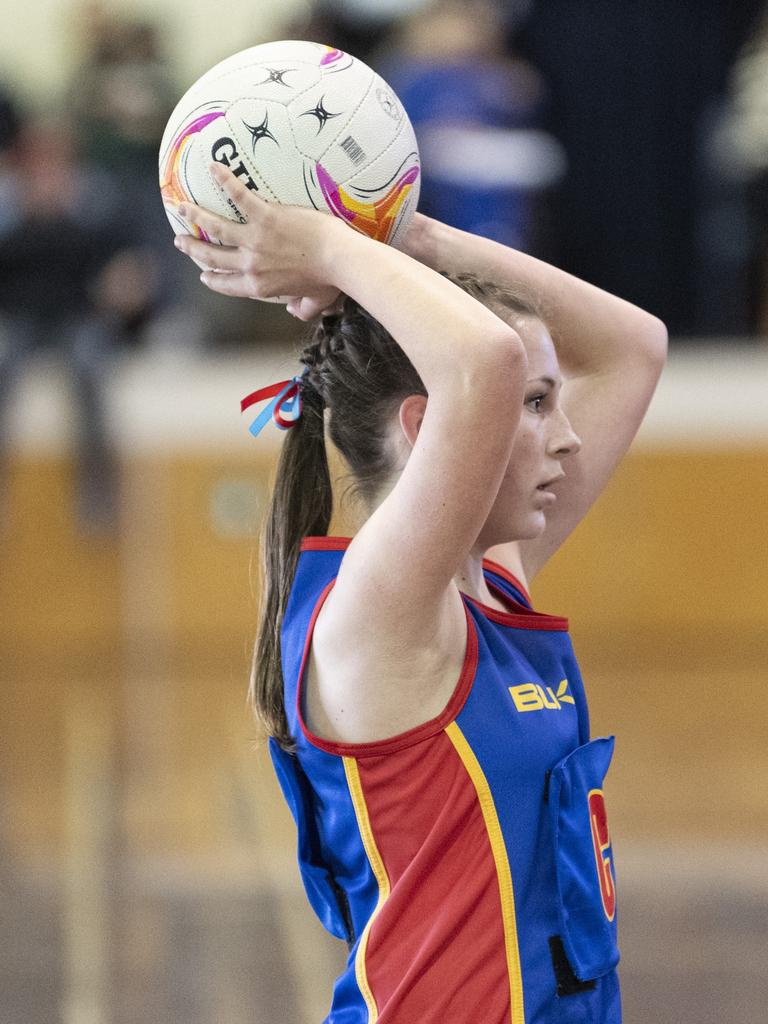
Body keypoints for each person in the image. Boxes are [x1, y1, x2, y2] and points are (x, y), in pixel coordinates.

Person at [173, 160, 667, 1023]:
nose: (571, 439)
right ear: (425, 425)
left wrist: (409, 236)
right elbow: (484, 358)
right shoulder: (379, 612)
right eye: (539, 403)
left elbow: (635, 347)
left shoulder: (492, 589)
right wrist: (326, 244)